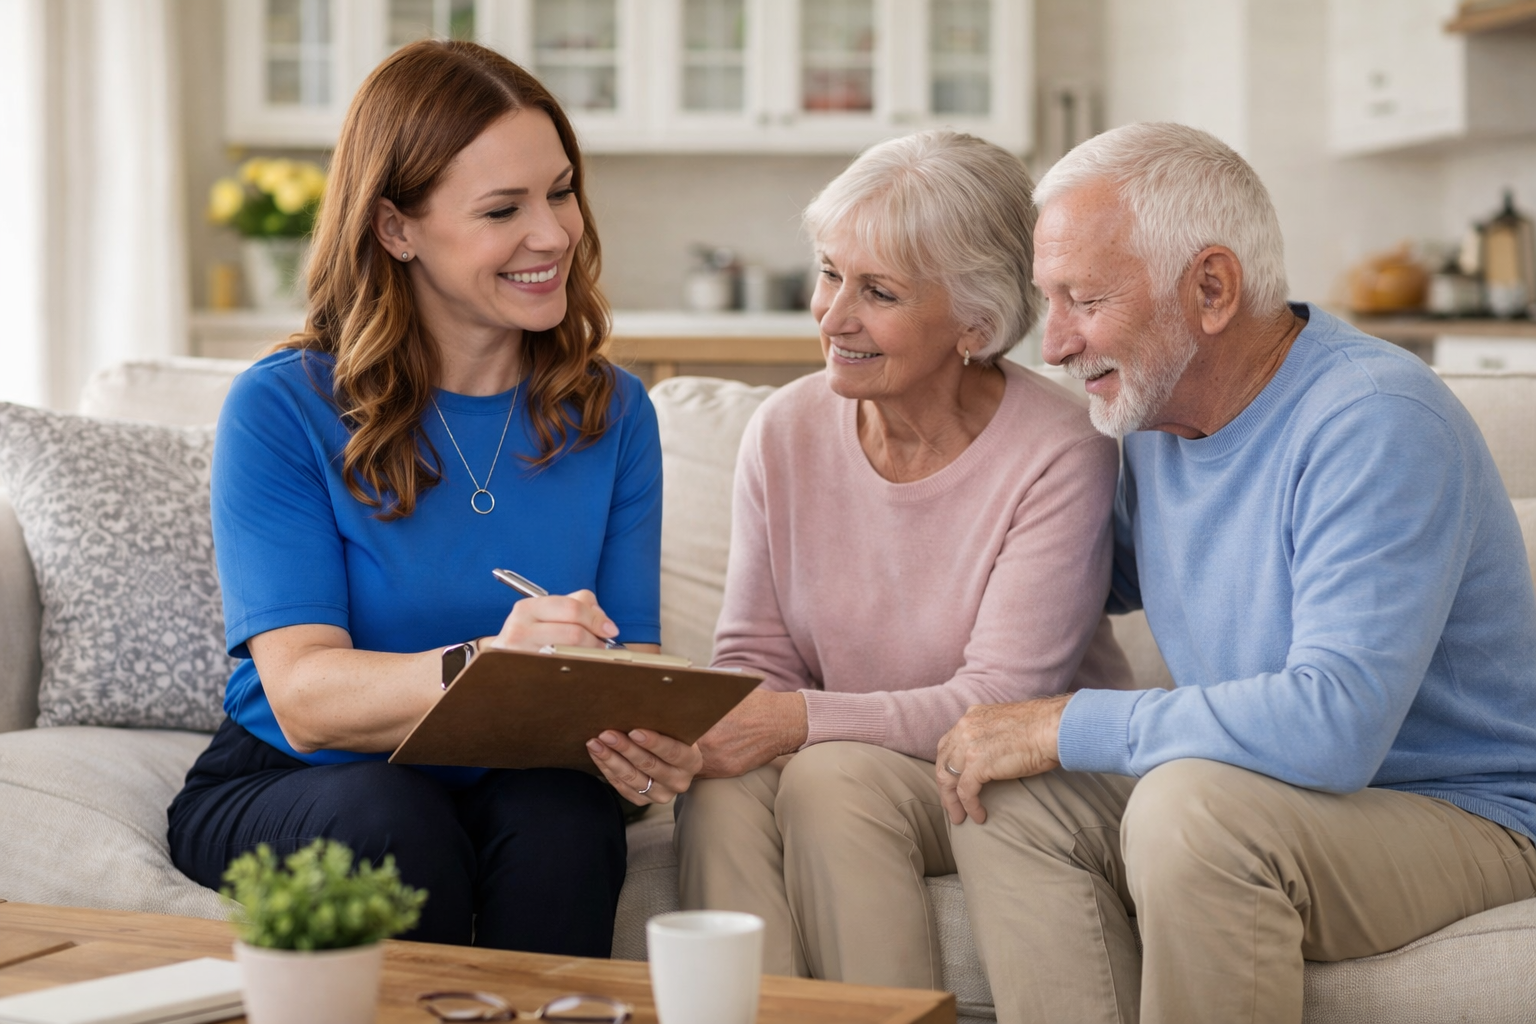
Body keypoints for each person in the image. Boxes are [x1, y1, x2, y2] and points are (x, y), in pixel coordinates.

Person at [937, 121, 1536, 1024]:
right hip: (1265, 791)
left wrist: (1067, 723)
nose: (1054, 344)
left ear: (1212, 288)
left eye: (1084, 300)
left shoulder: (1373, 421)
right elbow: (1053, 577)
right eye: (1045, 300)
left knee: (1194, 812)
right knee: (1007, 799)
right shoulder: (1156, 413)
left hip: (1457, 810)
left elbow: (1332, 726)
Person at [167, 40, 701, 955]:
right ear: (396, 228)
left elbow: (629, 664)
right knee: (390, 815)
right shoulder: (284, 406)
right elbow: (302, 697)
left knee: (567, 820)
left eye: (561, 191)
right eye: (503, 209)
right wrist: (491, 662)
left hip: (512, 768)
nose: (555, 234)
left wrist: (645, 741)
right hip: (299, 774)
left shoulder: (613, 411)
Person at [666, 129, 1134, 988]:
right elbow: (756, 661)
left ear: (975, 323)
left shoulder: (1062, 448)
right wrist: (699, 727)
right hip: (856, 754)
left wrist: (799, 722)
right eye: (829, 272)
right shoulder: (784, 430)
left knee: (833, 780)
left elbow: (999, 701)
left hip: (1019, 765)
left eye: (877, 291)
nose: (832, 315)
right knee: (720, 789)